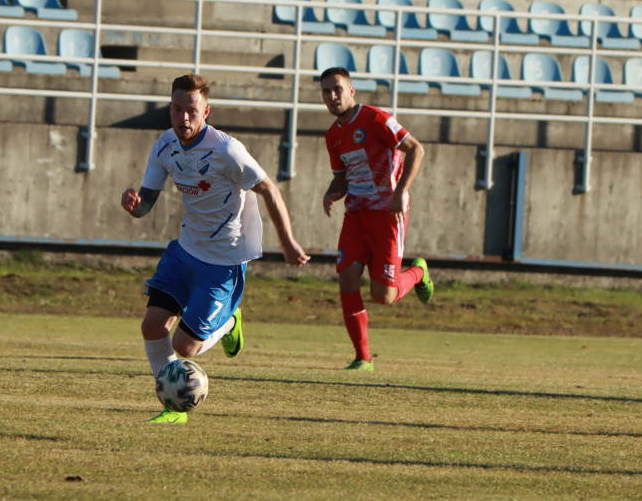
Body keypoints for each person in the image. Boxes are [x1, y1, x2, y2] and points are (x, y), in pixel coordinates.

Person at [121, 74, 311, 423]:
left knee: (184, 347)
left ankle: (229, 321)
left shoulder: (227, 151)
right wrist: (135, 206)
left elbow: (270, 189)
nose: (183, 118)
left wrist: (287, 242)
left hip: (223, 262)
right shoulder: (165, 145)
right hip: (185, 251)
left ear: (205, 111)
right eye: (177, 109)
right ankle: (174, 405)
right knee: (152, 326)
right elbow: (147, 200)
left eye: (191, 110)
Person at [320, 67, 433, 372]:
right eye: (326, 91)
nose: (332, 96)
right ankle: (362, 358)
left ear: (351, 90)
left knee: (383, 295)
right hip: (356, 214)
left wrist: (401, 192)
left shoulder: (376, 118)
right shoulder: (333, 136)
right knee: (346, 277)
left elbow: (416, 149)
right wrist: (331, 194)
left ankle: (418, 273)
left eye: (337, 89)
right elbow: (341, 179)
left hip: (388, 213)